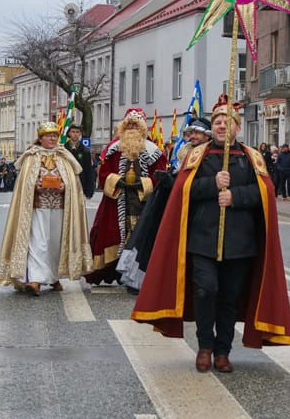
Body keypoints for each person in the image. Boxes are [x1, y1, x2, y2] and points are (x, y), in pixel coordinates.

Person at [131, 94, 290, 373]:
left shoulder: (252, 157)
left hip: (240, 243)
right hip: (202, 240)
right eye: (217, 121)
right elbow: (183, 192)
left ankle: (223, 351)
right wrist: (212, 184)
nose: (221, 126)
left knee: (229, 298)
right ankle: (205, 346)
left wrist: (235, 196)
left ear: (237, 128)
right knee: (205, 291)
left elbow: (265, 193)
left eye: (227, 122)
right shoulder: (197, 155)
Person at [0, 122, 93, 295]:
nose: (52, 139)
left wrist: (65, 187)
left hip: (59, 207)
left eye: (55, 136)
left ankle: (53, 277)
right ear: (40, 139)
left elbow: (74, 181)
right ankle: (35, 280)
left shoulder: (64, 156)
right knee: (39, 243)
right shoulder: (32, 156)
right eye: (48, 136)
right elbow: (24, 183)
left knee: (54, 244)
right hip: (37, 207)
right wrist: (35, 187)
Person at [117, 116, 212, 292]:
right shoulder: (185, 151)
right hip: (176, 203)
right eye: (191, 132)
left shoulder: (209, 155)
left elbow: (197, 181)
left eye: (197, 133)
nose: (193, 136)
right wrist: (168, 179)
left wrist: (173, 182)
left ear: (207, 136)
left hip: (197, 209)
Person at [85, 108, 167, 285]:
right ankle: (113, 271)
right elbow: (103, 173)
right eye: (128, 125)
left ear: (142, 129)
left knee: (142, 235)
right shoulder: (112, 150)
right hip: (116, 201)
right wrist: (117, 181)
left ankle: (137, 272)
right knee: (113, 234)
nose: (132, 129)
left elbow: (160, 176)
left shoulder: (154, 151)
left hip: (143, 203)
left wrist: (143, 184)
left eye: (135, 126)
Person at [65, 125, 95, 200]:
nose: (75, 134)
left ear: (80, 134)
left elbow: (88, 170)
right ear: (69, 133)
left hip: (80, 182)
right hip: (66, 182)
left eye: (77, 132)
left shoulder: (85, 151)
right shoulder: (64, 149)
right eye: (73, 132)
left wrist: (89, 191)